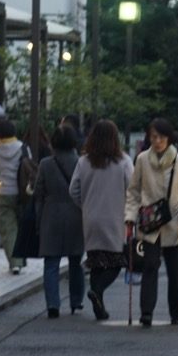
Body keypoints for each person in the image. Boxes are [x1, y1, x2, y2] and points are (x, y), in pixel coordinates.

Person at [123, 118, 178, 326]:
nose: (157, 141)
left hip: (175, 221)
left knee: (176, 271)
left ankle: (176, 312)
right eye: (153, 137)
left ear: (168, 138)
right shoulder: (141, 160)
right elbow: (133, 191)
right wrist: (130, 217)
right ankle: (146, 312)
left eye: (161, 137)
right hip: (150, 223)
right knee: (150, 265)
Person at [70, 119, 133, 321]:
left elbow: (73, 190)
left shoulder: (83, 161)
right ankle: (97, 291)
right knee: (117, 261)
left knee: (97, 261)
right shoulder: (123, 161)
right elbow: (131, 188)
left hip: (90, 218)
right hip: (115, 218)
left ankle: (100, 306)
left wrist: (85, 205)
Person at [35, 127, 86, 318]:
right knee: (75, 261)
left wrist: (38, 220)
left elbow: (39, 194)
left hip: (51, 215)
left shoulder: (46, 164)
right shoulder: (81, 163)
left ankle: (53, 304)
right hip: (76, 214)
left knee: (51, 263)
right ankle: (76, 300)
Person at [0, 119, 30, 275]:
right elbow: (29, 168)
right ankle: (21, 258)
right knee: (21, 227)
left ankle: (14, 263)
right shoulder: (23, 148)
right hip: (22, 193)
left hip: (4, 193)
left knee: (8, 230)